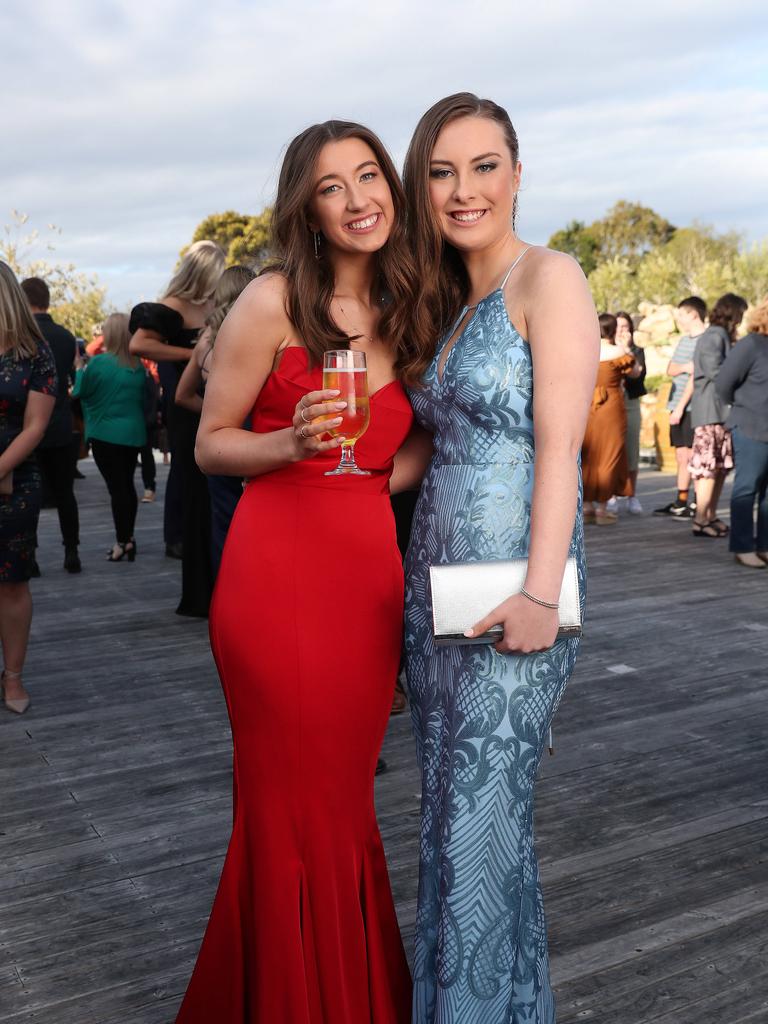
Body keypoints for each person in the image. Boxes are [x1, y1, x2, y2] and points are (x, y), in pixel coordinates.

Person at [175, 120, 422, 1024]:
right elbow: (208, 444)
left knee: (346, 805)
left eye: (370, 177)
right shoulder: (273, 300)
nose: (359, 199)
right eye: (333, 186)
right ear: (307, 208)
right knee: (289, 810)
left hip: (366, 587)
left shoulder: (413, 306)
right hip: (276, 584)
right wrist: (292, 444)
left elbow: (407, 451)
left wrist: (358, 481)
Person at [398, 93, 598, 1024]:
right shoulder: (448, 298)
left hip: (516, 600)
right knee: (457, 832)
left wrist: (540, 596)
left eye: (483, 166)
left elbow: (558, 450)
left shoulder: (548, 277)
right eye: (441, 171)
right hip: (437, 604)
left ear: (518, 173)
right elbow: (429, 452)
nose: (463, 188)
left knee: (479, 831)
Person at [128, 240, 225, 578]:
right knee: (185, 463)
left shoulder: (209, 302)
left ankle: (193, 534)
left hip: (206, 390)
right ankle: (177, 536)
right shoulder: (172, 306)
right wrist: (192, 355)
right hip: (183, 397)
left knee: (200, 468)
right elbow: (138, 344)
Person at [0, 262, 56, 714]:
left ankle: (13, 677)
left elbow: (35, 427)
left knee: (12, 584)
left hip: (16, 480)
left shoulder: (34, 353)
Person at [175, 265, 255, 575]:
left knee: (224, 522)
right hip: (258, 433)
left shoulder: (207, 341)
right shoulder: (261, 328)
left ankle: (227, 595)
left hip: (219, 436)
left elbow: (182, 395)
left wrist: (213, 412)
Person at [72, 313, 147, 561]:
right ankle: (130, 537)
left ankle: (122, 542)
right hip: (133, 434)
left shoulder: (99, 363)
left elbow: (80, 392)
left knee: (117, 490)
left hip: (106, 434)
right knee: (127, 486)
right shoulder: (137, 366)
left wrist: (79, 369)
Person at [20, 277, 81, 572]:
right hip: (60, 423)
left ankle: (29, 554)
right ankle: (72, 550)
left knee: (28, 494)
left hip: (27, 426)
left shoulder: (21, 336)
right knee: (65, 491)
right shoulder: (66, 336)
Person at [689, 292, 748, 538]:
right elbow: (718, 372)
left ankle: (710, 515)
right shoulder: (715, 335)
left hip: (718, 413)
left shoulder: (717, 334)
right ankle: (701, 519)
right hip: (710, 412)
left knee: (720, 467)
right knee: (709, 467)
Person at [716, 297, 768, 568]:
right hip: (750, 427)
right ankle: (743, 546)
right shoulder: (751, 344)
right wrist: (742, 407)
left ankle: (765, 545)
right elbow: (724, 383)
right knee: (746, 488)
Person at [654, 296, 707, 519]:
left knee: (696, 456)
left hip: (693, 408)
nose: (680, 319)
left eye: (683, 314)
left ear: (693, 314)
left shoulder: (706, 340)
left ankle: (698, 502)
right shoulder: (685, 341)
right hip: (677, 406)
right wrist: (686, 366)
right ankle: (681, 500)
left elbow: (697, 376)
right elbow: (671, 369)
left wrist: (681, 407)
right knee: (681, 455)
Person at [582, 313, 635, 524]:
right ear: (613, 330)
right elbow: (635, 373)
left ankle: (587, 507)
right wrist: (627, 347)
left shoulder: (585, 350)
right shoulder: (618, 352)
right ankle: (603, 509)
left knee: (588, 456)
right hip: (611, 407)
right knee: (609, 455)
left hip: (588, 407)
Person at [608, 310, 646, 514]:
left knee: (632, 449)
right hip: (609, 405)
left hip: (630, 403)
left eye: (625, 326)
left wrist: (626, 350)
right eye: (619, 326)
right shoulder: (605, 349)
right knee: (612, 449)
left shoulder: (637, 351)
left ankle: (632, 495)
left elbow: (636, 378)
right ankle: (611, 493)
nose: (622, 330)